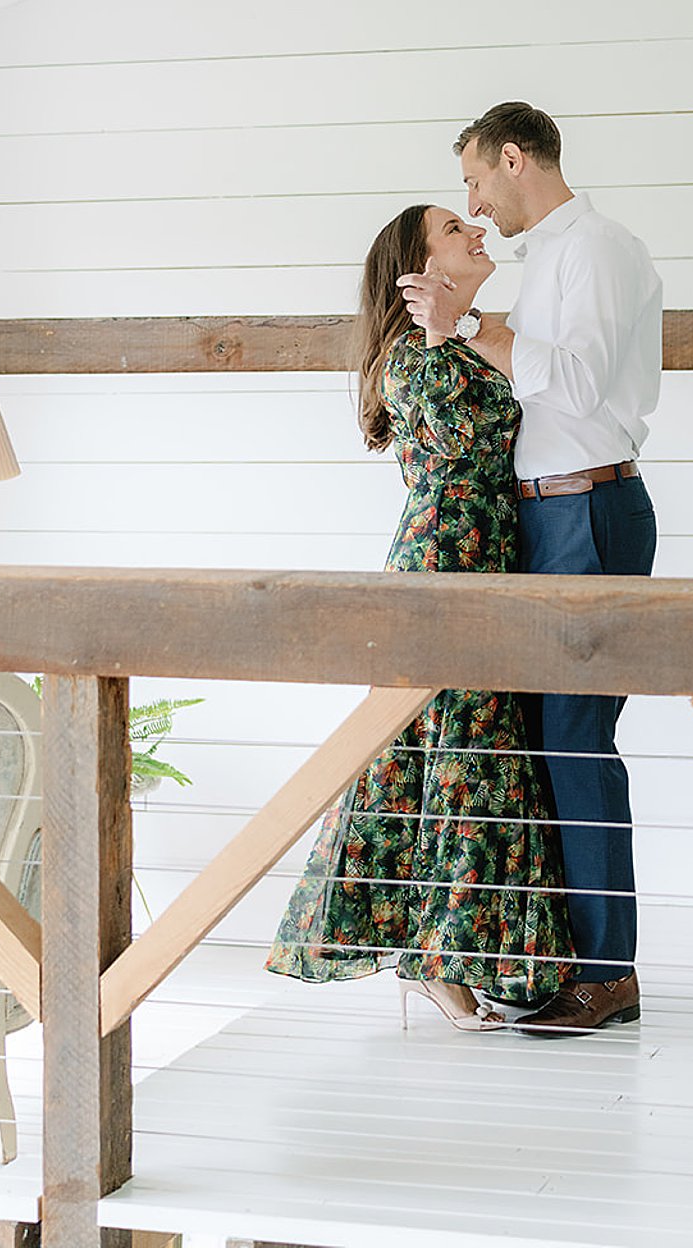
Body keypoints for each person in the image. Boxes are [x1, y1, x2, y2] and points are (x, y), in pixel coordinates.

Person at [266, 201, 574, 1031]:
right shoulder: (413, 355)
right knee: (452, 752)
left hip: (489, 562)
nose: (477, 232)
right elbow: (467, 436)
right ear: (419, 268)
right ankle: (435, 963)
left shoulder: (468, 340)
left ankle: (452, 955)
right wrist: (445, 333)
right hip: (444, 564)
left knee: (466, 753)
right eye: (453, 230)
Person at [399, 102, 661, 1035]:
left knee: (577, 745)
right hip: (546, 515)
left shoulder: (596, 250)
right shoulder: (548, 260)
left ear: (514, 160)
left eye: (475, 181)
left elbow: (579, 387)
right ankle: (557, 962)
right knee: (545, 747)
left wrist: (470, 324)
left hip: (586, 508)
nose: (474, 203)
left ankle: (608, 976)